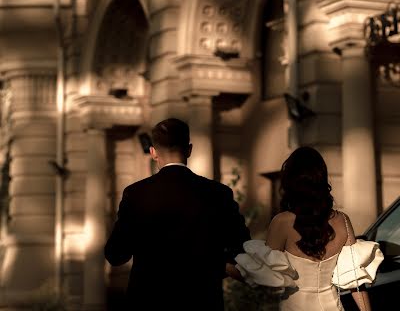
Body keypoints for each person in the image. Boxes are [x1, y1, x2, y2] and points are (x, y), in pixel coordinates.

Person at [105, 117, 250, 311]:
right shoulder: (219, 193)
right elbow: (242, 250)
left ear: (153, 152)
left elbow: (116, 255)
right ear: (189, 149)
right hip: (202, 302)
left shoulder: (136, 193)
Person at [228, 146, 383, 311]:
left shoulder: (281, 222)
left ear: (290, 182)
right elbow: (355, 281)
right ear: (322, 179)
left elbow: (264, 277)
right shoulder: (342, 220)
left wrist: (220, 265)